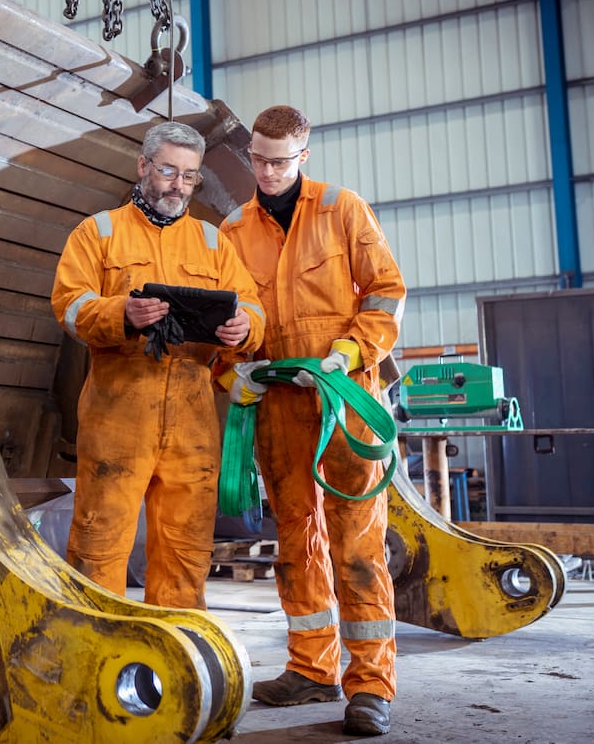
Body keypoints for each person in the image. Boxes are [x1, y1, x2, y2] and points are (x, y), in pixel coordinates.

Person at [219, 105, 405, 737]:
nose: (267, 172)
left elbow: (384, 294)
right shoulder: (232, 228)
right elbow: (229, 321)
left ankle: (371, 684)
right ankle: (311, 668)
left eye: (280, 161)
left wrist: (345, 356)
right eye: (258, 159)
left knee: (357, 545)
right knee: (296, 540)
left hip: (343, 401)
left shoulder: (342, 210)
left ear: (305, 156)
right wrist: (235, 369)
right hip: (277, 408)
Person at [51, 121, 265, 609]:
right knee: (99, 545)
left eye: (190, 176)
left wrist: (244, 329)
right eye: (169, 171)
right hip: (117, 418)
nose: (179, 185)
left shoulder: (212, 242)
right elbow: (68, 303)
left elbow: (250, 305)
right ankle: (94, 649)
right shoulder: (98, 232)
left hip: (192, 423)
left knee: (185, 551)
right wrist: (121, 313)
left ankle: (176, 656)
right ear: (144, 166)